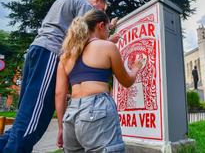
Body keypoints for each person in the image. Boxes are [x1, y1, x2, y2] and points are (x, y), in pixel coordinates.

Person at [0, 0, 118, 152]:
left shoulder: (64, 1)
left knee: (25, 114)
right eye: (101, 11)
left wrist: (109, 27)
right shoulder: (85, 5)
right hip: (50, 53)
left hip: (36, 51)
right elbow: (90, 39)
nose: (98, 16)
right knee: (33, 120)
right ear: (96, 1)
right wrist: (109, 42)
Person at [55, 9, 143, 152]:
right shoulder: (107, 47)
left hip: (70, 115)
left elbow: (59, 94)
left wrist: (61, 128)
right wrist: (135, 68)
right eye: (108, 28)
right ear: (100, 26)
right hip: (97, 109)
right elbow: (127, 82)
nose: (108, 33)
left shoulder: (66, 56)